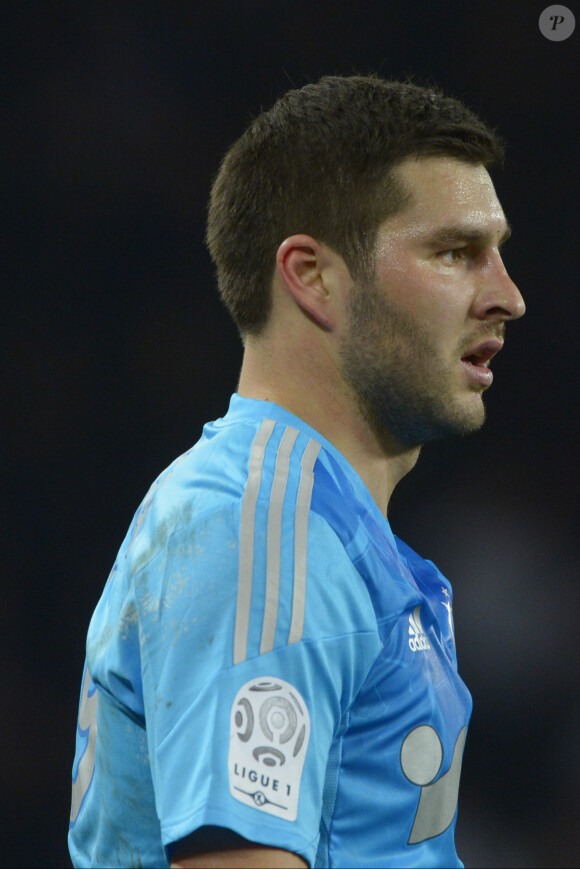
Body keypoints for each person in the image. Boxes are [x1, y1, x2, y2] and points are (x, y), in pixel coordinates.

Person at [68, 74, 525, 869]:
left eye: (497, 255)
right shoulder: (256, 529)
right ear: (312, 276)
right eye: (455, 252)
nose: (508, 297)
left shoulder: (326, 534)